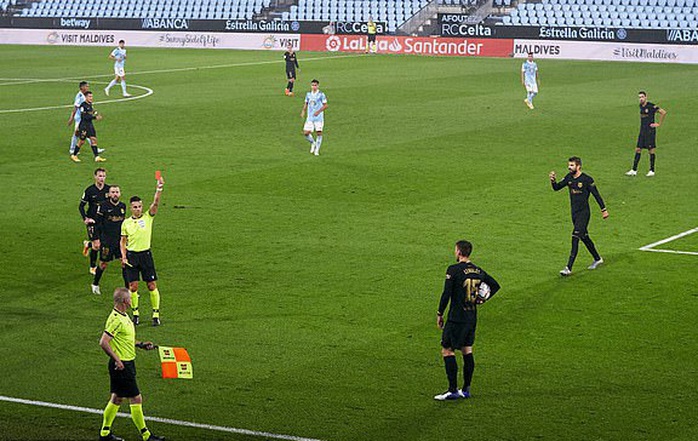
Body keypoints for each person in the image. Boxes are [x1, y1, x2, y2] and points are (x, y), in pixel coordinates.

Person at [435, 240, 501, 401]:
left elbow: (446, 294)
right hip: (471, 317)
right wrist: (482, 299)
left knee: (447, 350)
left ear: (458, 252)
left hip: (457, 318)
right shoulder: (478, 270)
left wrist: (439, 313)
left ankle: (452, 390)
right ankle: (466, 389)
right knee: (467, 350)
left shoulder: (454, 270)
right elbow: (495, 285)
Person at [98, 287, 164, 441]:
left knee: (117, 398)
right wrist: (117, 360)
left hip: (126, 363)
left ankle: (105, 433)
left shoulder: (124, 316)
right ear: (125, 301)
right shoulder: (115, 319)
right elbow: (103, 342)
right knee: (136, 398)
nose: (133, 300)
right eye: (131, 298)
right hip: (122, 366)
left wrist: (141, 344)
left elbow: (125, 339)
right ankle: (146, 435)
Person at [550, 156, 609, 276]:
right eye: (569, 165)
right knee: (584, 236)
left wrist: (604, 210)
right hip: (574, 214)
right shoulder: (569, 178)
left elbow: (596, 195)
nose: (569, 167)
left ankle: (568, 268)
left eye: (572, 165)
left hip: (584, 213)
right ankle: (598, 259)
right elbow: (557, 188)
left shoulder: (587, 179)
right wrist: (553, 181)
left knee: (575, 236)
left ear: (578, 166)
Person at [120, 176, 164, 326]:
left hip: (146, 255)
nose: (138, 209)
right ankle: (136, 314)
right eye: (135, 207)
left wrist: (159, 189)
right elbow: (123, 241)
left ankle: (156, 314)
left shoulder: (148, 217)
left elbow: (156, 203)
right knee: (133, 286)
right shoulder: (126, 223)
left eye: (140, 206)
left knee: (151, 285)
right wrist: (124, 256)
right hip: (132, 256)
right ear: (131, 208)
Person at [92, 185, 128, 295]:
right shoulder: (103, 206)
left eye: (117, 192)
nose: (115, 194)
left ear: (120, 193)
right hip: (107, 240)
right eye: (113, 192)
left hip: (119, 241)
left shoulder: (123, 206)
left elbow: (124, 224)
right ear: (109, 194)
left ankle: (128, 290)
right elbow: (97, 224)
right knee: (103, 264)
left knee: (124, 262)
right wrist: (96, 239)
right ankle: (95, 284)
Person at [626, 91, 667, 177]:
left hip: (650, 132)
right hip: (642, 131)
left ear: (646, 97)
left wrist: (658, 124)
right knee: (638, 149)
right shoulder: (640, 106)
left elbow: (663, 112)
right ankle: (634, 170)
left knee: (651, 150)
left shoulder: (651, 106)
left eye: (642, 97)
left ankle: (652, 170)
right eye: (639, 97)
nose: (641, 99)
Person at [80, 168, 110, 275]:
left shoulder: (108, 190)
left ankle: (88, 244)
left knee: (102, 243)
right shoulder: (89, 190)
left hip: (104, 221)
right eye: (100, 176)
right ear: (95, 177)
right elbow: (81, 206)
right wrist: (85, 218)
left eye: (103, 176)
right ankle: (92, 267)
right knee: (96, 246)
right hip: (92, 221)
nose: (101, 178)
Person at [71, 91, 107, 163]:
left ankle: (97, 157)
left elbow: (91, 111)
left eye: (92, 96)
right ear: (86, 97)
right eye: (89, 96)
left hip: (90, 125)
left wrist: (95, 113)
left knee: (93, 139)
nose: (91, 98)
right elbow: (84, 117)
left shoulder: (90, 104)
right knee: (82, 141)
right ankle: (74, 155)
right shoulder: (83, 106)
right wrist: (95, 118)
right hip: (84, 126)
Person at [67, 81, 101, 156]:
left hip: (84, 118)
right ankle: (72, 149)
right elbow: (75, 108)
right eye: (86, 86)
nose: (87, 87)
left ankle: (95, 148)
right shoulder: (79, 96)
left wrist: (94, 112)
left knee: (86, 132)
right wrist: (71, 118)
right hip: (80, 118)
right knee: (77, 133)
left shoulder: (86, 95)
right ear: (82, 87)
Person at [301, 79, 328, 156]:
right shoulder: (308, 94)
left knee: (319, 133)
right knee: (306, 133)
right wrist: (303, 111)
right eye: (312, 85)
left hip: (318, 118)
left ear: (318, 86)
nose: (314, 87)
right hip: (310, 117)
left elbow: (325, 105)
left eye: (315, 85)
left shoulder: (321, 94)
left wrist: (318, 112)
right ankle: (313, 143)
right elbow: (306, 103)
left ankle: (317, 150)